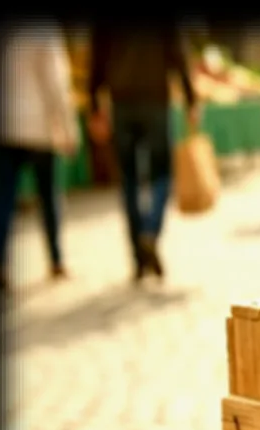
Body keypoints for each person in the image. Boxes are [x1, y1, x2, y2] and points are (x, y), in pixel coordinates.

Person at [89, 22, 198, 282]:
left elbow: (97, 57)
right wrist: (190, 98)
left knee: (128, 180)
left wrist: (94, 104)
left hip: (122, 102)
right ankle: (150, 230)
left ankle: (138, 258)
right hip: (156, 101)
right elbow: (178, 51)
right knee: (162, 171)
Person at [0, 21, 80, 292]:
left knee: (3, 200)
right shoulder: (43, 29)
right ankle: (55, 259)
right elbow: (56, 83)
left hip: (3, 127)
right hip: (39, 128)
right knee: (48, 196)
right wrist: (69, 130)